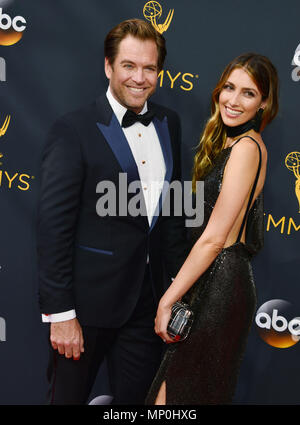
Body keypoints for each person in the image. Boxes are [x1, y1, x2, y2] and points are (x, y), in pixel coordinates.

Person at [37, 18, 187, 405]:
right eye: (129, 66)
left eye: (150, 68)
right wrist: (61, 314)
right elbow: (54, 228)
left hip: (148, 306)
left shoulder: (170, 123)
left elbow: (170, 215)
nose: (140, 78)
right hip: (84, 310)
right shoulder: (73, 130)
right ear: (108, 66)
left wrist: (174, 293)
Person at [145, 53, 279, 405]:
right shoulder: (231, 144)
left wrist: (167, 300)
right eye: (229, 88)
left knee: (176, 396)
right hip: (211, 279)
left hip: (220, 286)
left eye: (248, 93)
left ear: (264, 102)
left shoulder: (247, 149)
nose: (233, 101)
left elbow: (214, 239)